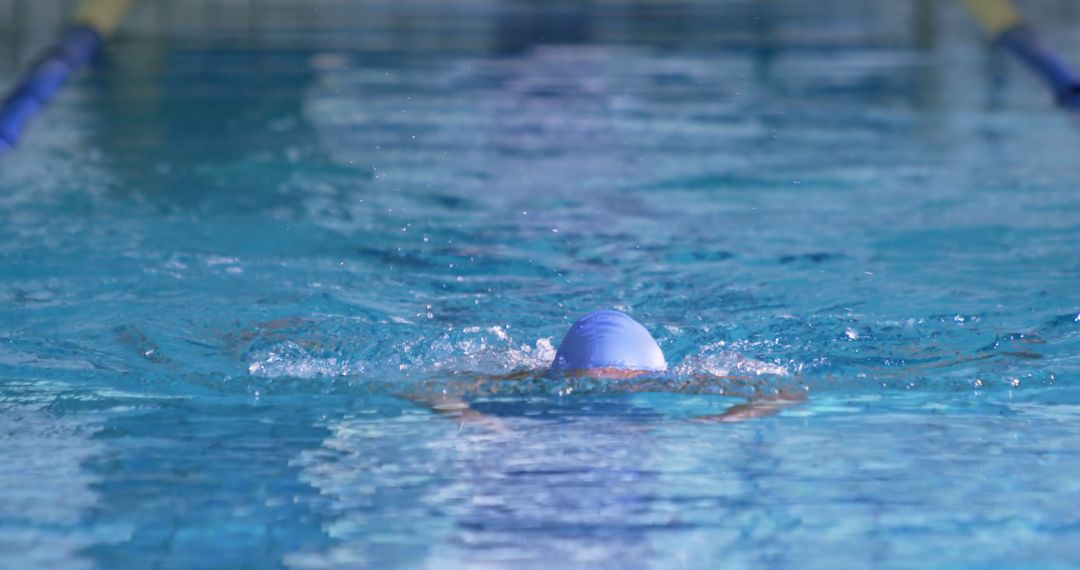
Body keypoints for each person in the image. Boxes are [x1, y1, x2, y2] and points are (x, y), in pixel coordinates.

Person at [417, 309, 805, 427]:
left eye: (627, 379)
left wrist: (725, 420)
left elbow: (789, 390)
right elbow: (425, 387)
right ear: (562, 374)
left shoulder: (677, 380)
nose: (609, 388)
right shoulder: (531, 379)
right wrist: (474, 418)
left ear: (649, 372)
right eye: (592, 380)